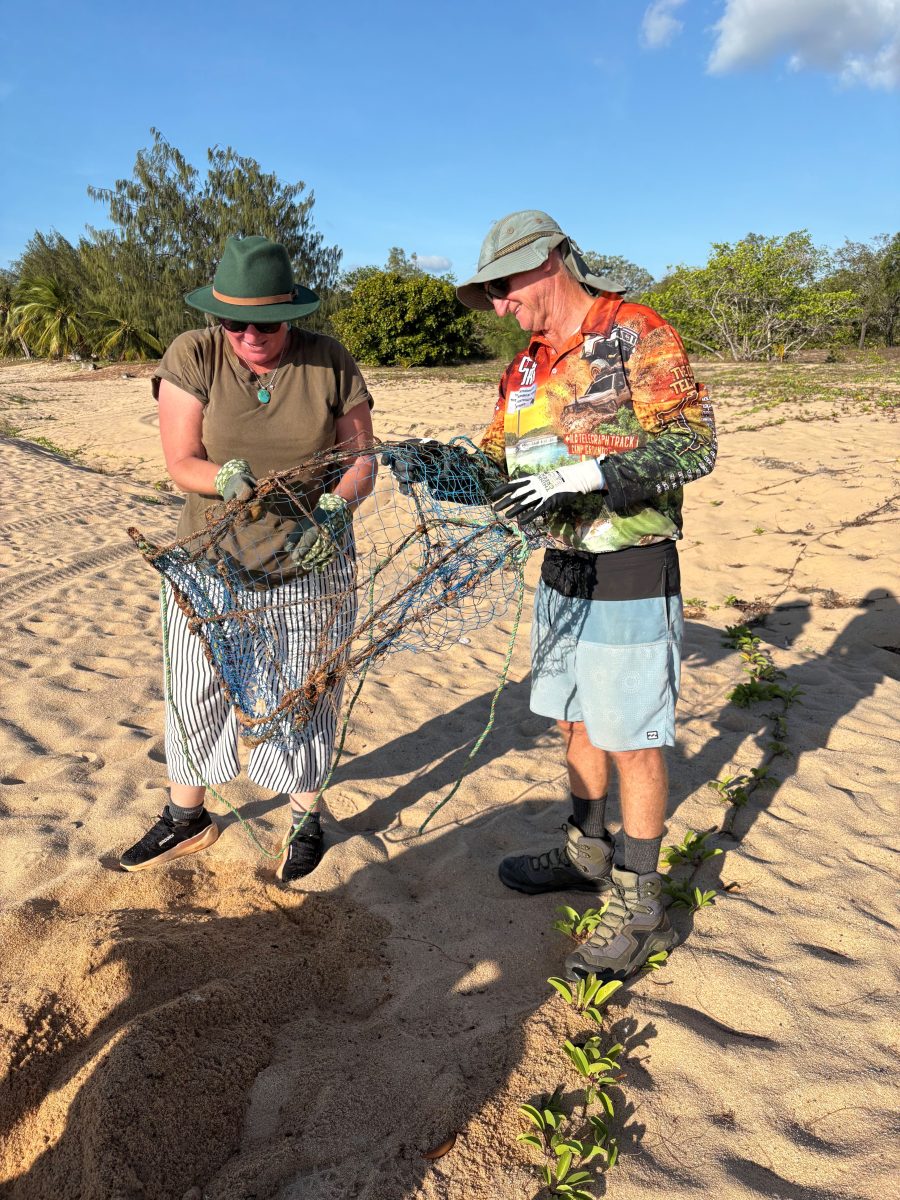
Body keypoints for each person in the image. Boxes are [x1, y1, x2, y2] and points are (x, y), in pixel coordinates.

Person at [386, 211, 716, 981]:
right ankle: (585, 849)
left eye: (502, 287)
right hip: (560, 569)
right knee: (573, 718)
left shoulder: (635, 331)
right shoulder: (527, 367)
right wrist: (435, 468)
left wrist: (590, 473)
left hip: (630, 563)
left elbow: (693, 444)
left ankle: (641, 907)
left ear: (546, 263)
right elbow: (498, 465)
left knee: (631, 734)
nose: (499, 306)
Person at [119, 235, 375, 884]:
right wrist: (221, 478)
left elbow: (361, 461)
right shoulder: (193, 354)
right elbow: (181, 462)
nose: (250, 333)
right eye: (234, 320)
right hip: (210, 562)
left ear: (291, 315)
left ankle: (305, 816)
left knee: (306, 693)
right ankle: (187, 817)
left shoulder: (330, 362)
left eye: (265, 321)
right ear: (216, 316)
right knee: (194, 687)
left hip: (310, 564)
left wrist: (337, 508)